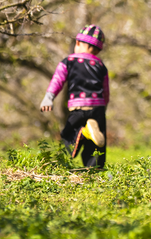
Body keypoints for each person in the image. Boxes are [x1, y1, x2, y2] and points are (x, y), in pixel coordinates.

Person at [41, 24, 109, 168]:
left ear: (77, 43)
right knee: (96, 147)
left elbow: (58, 80)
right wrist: (104, 107)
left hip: (78, 107)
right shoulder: (101, 65)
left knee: (68, 137)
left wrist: (49, 98)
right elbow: (105, 90)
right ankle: (94, 171)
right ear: (98, 50)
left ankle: (82, 134)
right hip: (98, 107)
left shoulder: (69, 61)